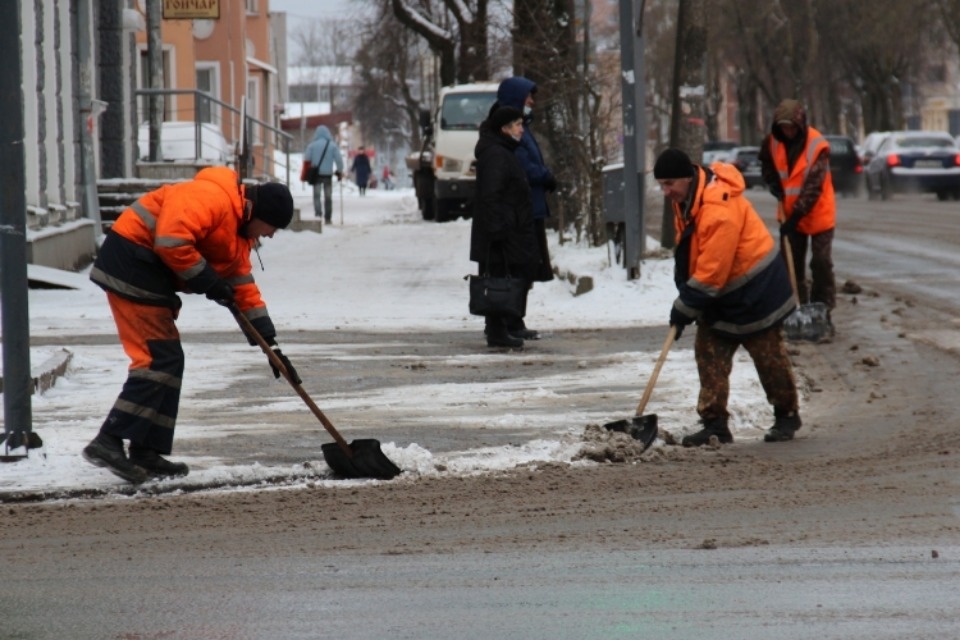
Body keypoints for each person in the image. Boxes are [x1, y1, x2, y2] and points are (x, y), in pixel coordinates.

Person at [83, 168, 301, 483]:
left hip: (148, 274)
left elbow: (242, 288)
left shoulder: (239, 235)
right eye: (272, 226)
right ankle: (108, 440)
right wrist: (208, 280)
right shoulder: (211, 198)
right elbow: (171, 241)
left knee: (169, 360)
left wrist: (272, 345)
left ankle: (145, 450)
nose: (270, 235)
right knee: (157, 359)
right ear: (256, 212)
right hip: (131, 265)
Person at [654, 148, 802, 446]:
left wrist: (686, 305)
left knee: (768, 356)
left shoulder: (718, 208)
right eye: (661, 185)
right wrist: (687, 297)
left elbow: (712, 270)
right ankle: (715, 424)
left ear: (687, 177)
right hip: (722, 294)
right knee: (709, 351)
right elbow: (691, 253)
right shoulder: (686, 199)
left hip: (757, 289)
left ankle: (787, 415)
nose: (666, 191)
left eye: (670, 183)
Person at [759, 98, 837, 334]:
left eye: (792, 126)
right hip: (790, 213)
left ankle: (822, 308)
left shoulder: (817, 145)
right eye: (784, 127)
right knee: (791, 264)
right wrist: (773, 185)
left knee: (821, 262)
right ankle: (796, 308)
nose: (788, 131)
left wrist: (794, 219)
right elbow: (767, 166)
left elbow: (813, 186)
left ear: (800, 125)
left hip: (817, 213)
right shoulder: (772, 143)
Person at [488, 76, 557, 340]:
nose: (532, 102)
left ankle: (515, 319)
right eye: (528, 96)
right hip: (521, 211)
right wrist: (544, 175)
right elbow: (523, 165)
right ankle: (510, 321)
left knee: (525, 267)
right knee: (518, 267)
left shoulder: (522, 127)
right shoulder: (509, 129)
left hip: (530, 207)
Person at [471, 106, 539, 349]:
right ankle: (497, 331)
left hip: (507, 228)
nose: (522, 129)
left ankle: (501, 328)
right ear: (504, 129)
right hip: (501, 231)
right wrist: (498, 229)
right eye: (517, 125)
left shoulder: (502, 151)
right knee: (498, 279)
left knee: (501, 278)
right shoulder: (497, 155)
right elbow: (492, 195)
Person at [302, 125, 344, 224]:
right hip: (327, 175)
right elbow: (339, 159)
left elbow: (306, 159)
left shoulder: (312, 145)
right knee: (328, 197)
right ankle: (328, 218)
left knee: (316, 196)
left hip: (316, 175)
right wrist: (339, 170)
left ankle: (318, 215)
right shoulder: (332, 145)